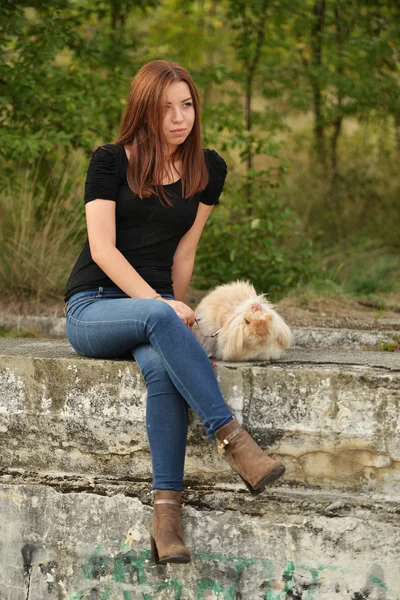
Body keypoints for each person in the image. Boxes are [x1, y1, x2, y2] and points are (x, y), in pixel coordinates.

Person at [64, 60, 285, 565]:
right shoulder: (110, 162)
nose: (178, 117)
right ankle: (234, 441)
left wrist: (172, 319)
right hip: (94, 307)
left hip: (154, 311)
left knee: (165, 371)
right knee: (161, 317)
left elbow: (184, 253)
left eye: (186, 105)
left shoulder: (209, 169)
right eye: (166, 108)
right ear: (144, 111)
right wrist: (162, 306)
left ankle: (167, 518)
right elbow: (103, 250)